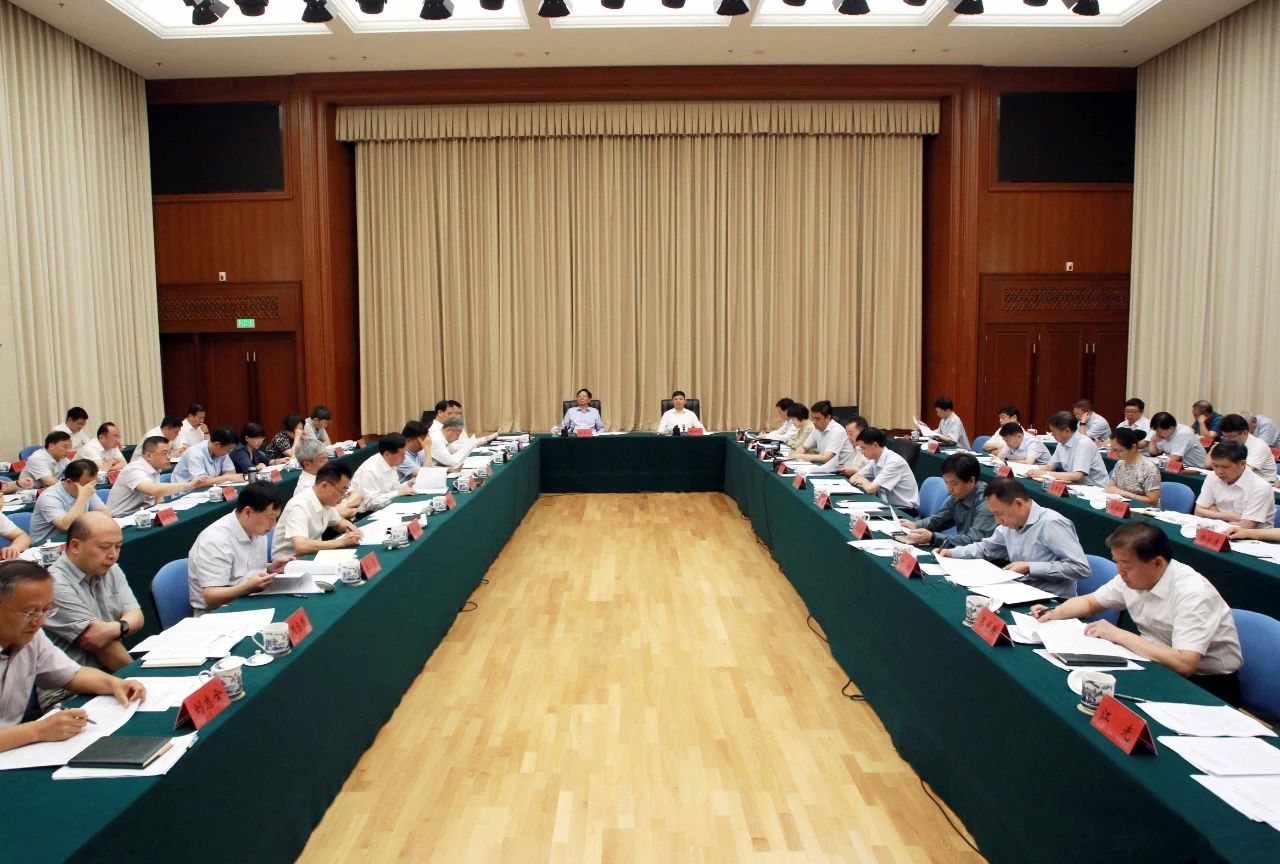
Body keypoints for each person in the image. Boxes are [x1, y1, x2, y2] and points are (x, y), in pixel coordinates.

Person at [1030, 523, 1243, 705]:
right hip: (1152, 662)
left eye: (1126, 565)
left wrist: (1119, 634)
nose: (1119, 571)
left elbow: (1184, 664)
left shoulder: (1193, 593)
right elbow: (1089, 602)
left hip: (1206, 685)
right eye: (1116, 562)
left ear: (1157, 563)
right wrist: (1054, 613)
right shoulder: (1132, 577)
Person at [0, 560, 147, 752]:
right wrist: (39, 730)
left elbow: (72, 674)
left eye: (45, 610)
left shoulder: (32, 637)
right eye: (30, 612)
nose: (38, 621)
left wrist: (114, 684)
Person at [939, 477, 1089, 598]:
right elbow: (985, 548)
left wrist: (1030, 567)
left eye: (999, 513)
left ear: (1018, 504)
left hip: (1053, 601)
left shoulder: (1052, 524)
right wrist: (952, 553)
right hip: (1020, 591)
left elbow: (1080, 568)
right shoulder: (1010, 524)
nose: (998, 521)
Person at [43, 513, 143, 689]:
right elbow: (99, 644)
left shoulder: (111, 569)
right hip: (70, 687)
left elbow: (136, 615)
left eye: (118, 546)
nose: (113, 555)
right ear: (75, 546)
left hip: (110, 672)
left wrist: (116, 628)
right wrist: (139, 679)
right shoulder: (54, 584)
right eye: (105, 547)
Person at [187, 482, 289, 615]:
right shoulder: (214, 540)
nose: (274, 524)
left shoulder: (256, 529)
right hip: (216, 613)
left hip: (251, 600)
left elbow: (244, 569)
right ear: (248, 512)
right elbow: (211, 597)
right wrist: (247, 587)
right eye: (270, 518)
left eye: (276, 518)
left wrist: (270, 568)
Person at [900, 453, 995, 548]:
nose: (949, 488)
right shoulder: (957, 496)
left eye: (954, 483)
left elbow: (975, 542)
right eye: (946, 482)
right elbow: (938, 521)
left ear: (971, 481)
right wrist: (914, 525)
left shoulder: (988, 503)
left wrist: (933, 537)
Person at [272, 463, 363, 560]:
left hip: (312, 556)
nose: (343, 496)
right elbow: (301, 546)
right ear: (324, 486)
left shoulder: (325, 501)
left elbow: (339, 522)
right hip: (289, 562)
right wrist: (341, 542)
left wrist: (352, 529)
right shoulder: (299, 506)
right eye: (342, 491)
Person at [106, 436, 212, 516]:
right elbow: (152, 490)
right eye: (165, 453)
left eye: (169, 453)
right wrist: (189, 485)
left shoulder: (155, 468)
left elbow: (158, 496)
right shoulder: (134, 469)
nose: (169, 457)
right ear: (149, 455)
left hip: (142, 515)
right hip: (120, 519)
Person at [1194, 440, 1276, 528]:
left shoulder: (1260, 487)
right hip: (1219, 529)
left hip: (1251, 535)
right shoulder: (1212, 476)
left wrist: (1213, 512)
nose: (1219, 471)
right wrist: (1230, 516)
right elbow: (1198, 512)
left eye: (1225, 467)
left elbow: (1246, 526)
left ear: (1242, 464)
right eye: (1215, 466)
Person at [28, 459, 109, 545]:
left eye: (93, 484)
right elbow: (66, 526)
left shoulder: (87, 488)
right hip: (46, 546)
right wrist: (83, 497)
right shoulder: (49, 497)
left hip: (76, 539)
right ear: (69, 482)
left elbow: (104, 513)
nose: (90, 488)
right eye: (85, 485)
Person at [1030, 411, 1109, 487]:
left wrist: (1045, 474)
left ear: (1067, 431)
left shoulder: (1084, 443)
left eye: (1054, 431)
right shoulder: (1062, 442)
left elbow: (1077, 475)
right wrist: (1027, 469)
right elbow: (1049, 467)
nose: (1052, 435)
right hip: (1077, 486)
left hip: (1095, 489)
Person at [850, 427, 920, 512]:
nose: (862, 452)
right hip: (887, 505)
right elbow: (853, 477)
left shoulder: (894, 462)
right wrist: (864, 482)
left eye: (863, 448)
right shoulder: (876, 459)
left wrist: (864, 481)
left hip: (904, 510)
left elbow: (871, 489)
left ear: (874, 445)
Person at [293, 438, 363, 520]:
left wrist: (344, 506)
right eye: (322, 460)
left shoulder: (328, 473)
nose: (327, 462)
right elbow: (330, 517)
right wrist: (348, 509)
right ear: (307, 464)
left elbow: (358, 496)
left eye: (327, 457)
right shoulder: (306, 488)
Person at [351, 433, 416, 512]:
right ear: (387, 454)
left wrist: (407, 484)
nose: (404, 458)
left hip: (386, 506)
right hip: (365, 513)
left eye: (405, 454)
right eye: (401, 455)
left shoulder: (391, 462)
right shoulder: (370, 470)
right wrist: (398, 493)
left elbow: (393, 489)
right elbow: (370, 503)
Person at [1104, 428, 1162, 506]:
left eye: (1119, 450)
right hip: (1121, 506)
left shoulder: (1149, 468)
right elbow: (1110, 488)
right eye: (1113, 449)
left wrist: (1124, 493)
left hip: (1142, 509)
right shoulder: (1120, 463)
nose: (1115, 453)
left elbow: (1153, 500)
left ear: (1133, 447)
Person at [789, 401, 851, 473]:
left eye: (817, 419)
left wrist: (800, 456)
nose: (814, 422)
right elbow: (804, 447)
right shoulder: (817, 429)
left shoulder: (838, 431)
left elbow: (826, 458)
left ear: (828, 417)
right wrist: (795, 454)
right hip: (826, 468)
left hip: (844, 472)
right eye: (812, 418)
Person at [1217, 414, 1277, 483]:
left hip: (1264, 484)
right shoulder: (1230, 443)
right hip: (1242, 481)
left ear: (1245, 433)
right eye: (1224, 437)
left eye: (1230, 437)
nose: (1227, 441)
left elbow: (1244, 472)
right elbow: (1208, 464)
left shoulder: (1259, 446)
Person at [172, 425, 241, 484]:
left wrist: (226, 477)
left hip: (207, 490)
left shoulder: (221, 452)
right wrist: (226, 477)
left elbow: (231, 472)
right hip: (186, 492)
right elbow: (200, 482)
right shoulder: (195, 453)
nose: (229, 452)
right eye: (228, 449)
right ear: (217, 444)